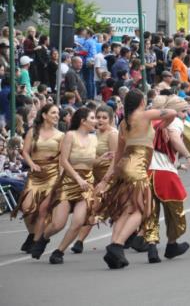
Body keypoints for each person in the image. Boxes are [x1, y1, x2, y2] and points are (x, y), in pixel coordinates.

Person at [94, 88, 177, 269]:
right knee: (141, 210)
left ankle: (115, 247)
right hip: (137, 167)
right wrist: (163, 124)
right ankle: (117, 246)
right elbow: (173, 112)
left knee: (126, 210)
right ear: (141, 102)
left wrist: (106, 179)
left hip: (124, 165)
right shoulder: (145, 115)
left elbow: (118, 155)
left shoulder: (123, 123)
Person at [140, 95, 190, 263]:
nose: (186, 114)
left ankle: (152, 247)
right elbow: (173, 139)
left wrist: (178, 165)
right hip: (164, 173)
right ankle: (172, 244)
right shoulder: (174, 123)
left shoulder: (148, 123)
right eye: (184, 111)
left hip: (146, 171)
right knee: (176, 213)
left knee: (150, 212)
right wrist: (189, 157)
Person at [38, 107, 97, 264]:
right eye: (93, 117)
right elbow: (63, 160)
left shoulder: (94, 139)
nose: (95, 121)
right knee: (58, 224)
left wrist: (104, 159)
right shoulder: (70, 135)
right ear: (83, 121)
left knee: (78, 222)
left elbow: (91, 162)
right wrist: (78, 178)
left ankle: (59, 251)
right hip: (69, 182)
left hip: (86, 184)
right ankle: (44, 238)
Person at [14, 103, 64, 258]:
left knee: (43, 209)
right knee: (27, 207)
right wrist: (31, 164)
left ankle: (36, 242)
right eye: (53, 112)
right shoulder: (32, 132)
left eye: (58, 113)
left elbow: (63, 159)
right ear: (44, 115)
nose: (57, 115)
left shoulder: (61, 135)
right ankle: (32, 234)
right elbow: (25, 152)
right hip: (35, 174)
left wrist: (61, 179)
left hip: (53, 175)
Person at [72, 104, 118, 254]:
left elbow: (115, 160)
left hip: (110, 178)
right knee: (94, 208)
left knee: (98, 207)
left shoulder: (113, 134)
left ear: (111, 119)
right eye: (98, 117)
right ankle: (79, 241)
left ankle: (79, 241)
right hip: (94, 176)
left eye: (104, 118)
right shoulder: (94, 134)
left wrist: (106, 180)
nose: (100, 120)